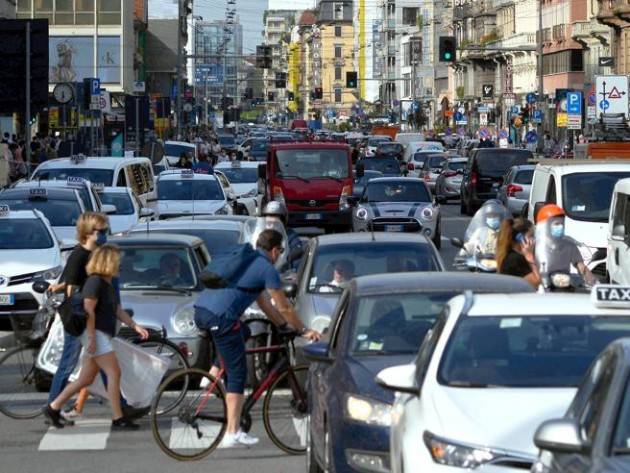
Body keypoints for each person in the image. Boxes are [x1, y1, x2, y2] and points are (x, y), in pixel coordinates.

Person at [194, 230, 320, 448]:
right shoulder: (266, 269)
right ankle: (232, 432)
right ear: (274, 250)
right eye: (280, 251)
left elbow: (263, 302)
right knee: (238, 374)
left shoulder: (248, 260)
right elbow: (283, 306)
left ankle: (212, 375)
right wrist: (303, 330)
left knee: (243, 332)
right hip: (222, 318)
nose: (280, 255)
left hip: (203, 310)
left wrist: (281, 325)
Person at [46, 213, 148, 423]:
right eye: (99, 231)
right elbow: (81, 303)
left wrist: (133, 325)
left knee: (88, 376)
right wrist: (89, 336)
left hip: (98, 327)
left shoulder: (103, 274)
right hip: (89, 327)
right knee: (107, 370)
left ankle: (53, 407)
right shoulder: (85, 266)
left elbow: (115, 307)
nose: (103, 235)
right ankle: (119, 414)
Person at [535, 204, 596, 285]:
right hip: (541, 286)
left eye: (562, 224)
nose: (560, 227)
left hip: (563, 284)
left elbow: (581, 266)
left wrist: (594, 282)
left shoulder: (569, 245)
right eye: (556, 224)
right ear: (545, 226)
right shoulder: (535, 246)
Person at [496, 217, 541, 288]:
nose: (534, 239)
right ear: (520, 238)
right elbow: (537, 281)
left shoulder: (511, 255)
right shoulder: (516, 259)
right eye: (531, 236)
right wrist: (530, 256)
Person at [261, 201, 303, 270]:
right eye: (269, 223)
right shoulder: (258, 235)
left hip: (282, 275)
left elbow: (298, 261)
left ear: (282, 223)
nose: (271, 227)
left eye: (275, 224)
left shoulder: (290, 236)